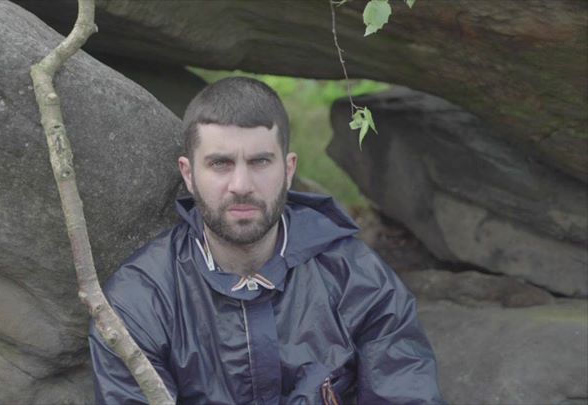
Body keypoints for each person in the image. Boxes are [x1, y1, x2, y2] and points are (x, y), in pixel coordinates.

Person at [89, 77, 444, 404]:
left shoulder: (357, 278)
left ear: (288, 170)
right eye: (220, 164)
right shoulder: (141, 299)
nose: (241, 185)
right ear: (189, 173)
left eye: (259, 161)